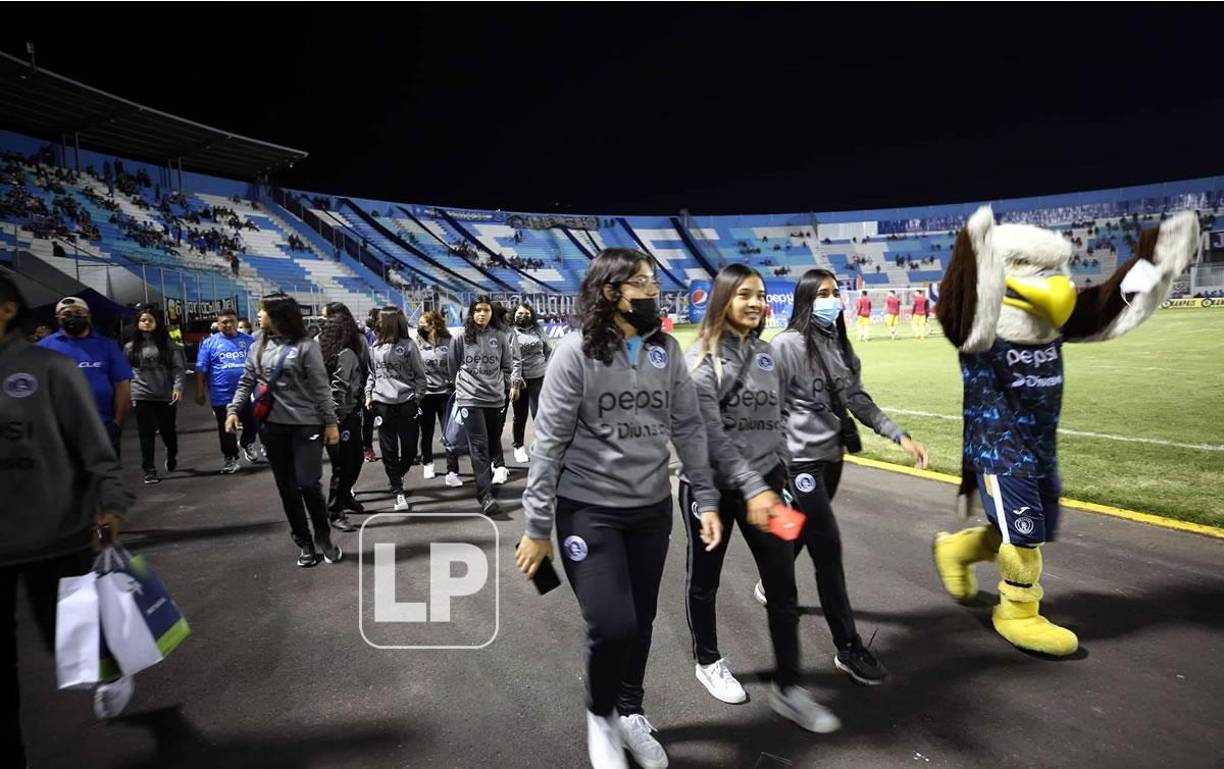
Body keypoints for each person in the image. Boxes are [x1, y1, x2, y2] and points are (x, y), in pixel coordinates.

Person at [516, 249, 724, 769]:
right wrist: (538, 526)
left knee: (643, 618)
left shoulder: (666, 351)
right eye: (644, 285)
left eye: (653, 283)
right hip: (589, 510)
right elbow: (549, 444)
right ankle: (602, 715)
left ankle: (631, 711)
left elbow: (688, 427)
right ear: (611, 292)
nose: (655, 293)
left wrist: (706, 495)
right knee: (613, 625)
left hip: (651, 509)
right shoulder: (573, 354)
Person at [681, 264, 840, 733]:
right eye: (744, 294)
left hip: (766, 489)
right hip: (712, 489)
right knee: (704, 580)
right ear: (723, 299)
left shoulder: (768, 355)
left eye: (761, 295)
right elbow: (712, 439)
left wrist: (781, 478)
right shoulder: (700, 362)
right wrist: (754, 487)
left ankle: (790, 688)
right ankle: (707, 660)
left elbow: (775, 423)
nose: (755, 302)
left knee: (782, 584)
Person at [764, 269, 928, 686]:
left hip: (833, 458)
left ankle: (773, 573)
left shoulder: (840, 345)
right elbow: (768, 409)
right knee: (828, 546)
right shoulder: (784, 346)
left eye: (835, 293)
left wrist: (899, 435)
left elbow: (858, 399)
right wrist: (777, 466)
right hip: (800, 464)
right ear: (804, 300)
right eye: (822, 294)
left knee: (799, 527)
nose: (832, 299)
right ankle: (848, 646)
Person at [0, 275, 133, 765]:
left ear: (9, 309)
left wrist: (112, 502)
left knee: (71, 637)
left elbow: (95, 447)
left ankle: (112, 668)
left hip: (53, 531)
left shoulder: (49, 368)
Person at [227, 293, 342, 568]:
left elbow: (320, 387)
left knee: (308, 484)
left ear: (278, 315)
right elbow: (246, 381)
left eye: (262, 311)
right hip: (272, 428)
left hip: (306, 426)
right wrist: (233, 410)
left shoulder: (306, 346)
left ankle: (323, 537)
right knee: (286, 488)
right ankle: (304, 542)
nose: (258, 316)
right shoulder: (258, 345)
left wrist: (330, 422)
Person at [448, 297, 520, 517]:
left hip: (496, 398)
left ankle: (484, 482)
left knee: (491, 442)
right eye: (478, 310)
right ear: (471, 313)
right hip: (470, 398)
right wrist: (462, 390)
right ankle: (485, 495)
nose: (482, 314)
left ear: (491, 313)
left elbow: (507, 366)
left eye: (486, 310)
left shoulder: (499, 337)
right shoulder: (460, 337)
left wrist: (508, 386)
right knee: (478, 445)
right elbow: (453, 366)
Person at [38, 296, 132, 459]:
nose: (73, 316)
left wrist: (117, 424)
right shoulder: (44, 348)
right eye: (66, 313)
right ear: (58, 318)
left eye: (78, 312)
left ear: (88, 315)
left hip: (102, 427)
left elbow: (122, 385)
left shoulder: (107, 345)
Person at [365, 307, 427, 512]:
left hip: (407, 403)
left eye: (380, 320)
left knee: (409, 448)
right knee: (388, 449)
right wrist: (369, 395)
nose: (376, 323)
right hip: (382, 404)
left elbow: (420, 377)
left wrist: (416, 399)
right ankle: (397, 490)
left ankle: (398, 473)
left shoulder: (408, 346)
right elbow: (372, 375)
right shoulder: (374, 347)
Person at [196, 309, 261, 474]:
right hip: (221, 394)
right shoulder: (209, 343)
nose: (228, 325)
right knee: (226, 428)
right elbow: (201, 369)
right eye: (224, 322)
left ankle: (247, 442)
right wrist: (200, 390)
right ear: (218, 324)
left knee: (252, 423)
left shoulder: (249, 341)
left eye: (231, 321)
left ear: (236, 322)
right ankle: (231, 458)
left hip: (247, 393)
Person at [124, 309, 185, 485]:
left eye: (150, 320)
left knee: (168, 431)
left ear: (157, 322)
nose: (146, 323)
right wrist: (127, 393)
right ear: (137, 324)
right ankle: (149, 469)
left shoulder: (169, 344)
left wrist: (178, 387)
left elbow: (178, 368)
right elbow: (124, 372)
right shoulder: (129, 347)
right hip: (141, 393)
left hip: (165, 393)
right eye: (142, 320)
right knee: (146, 433)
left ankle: (171, 451)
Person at [319, 309, 366, 532]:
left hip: (336, 415)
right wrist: (338, 417)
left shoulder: (323, 349)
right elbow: (338, 388)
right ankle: (335, 510)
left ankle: (344, 497)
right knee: (347, 464)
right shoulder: (346, 353)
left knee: (350, 461)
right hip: (343, 416)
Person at [416, 310, 462, 487]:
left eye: (424, 323)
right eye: (420, 323)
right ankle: (428, 463)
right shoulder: (417, 343)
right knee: (426, 432)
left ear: (434, 323)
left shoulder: (449, 342)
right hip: (426, 395)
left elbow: (457, 364)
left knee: (450, 433)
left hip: (446, 394)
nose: (421, 326)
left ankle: (452, 470)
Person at [510, 302, 551, 465]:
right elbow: (509, 358)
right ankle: (518, 447)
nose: (523, 316)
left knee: (540, 414)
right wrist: (514, 380)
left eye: (526, 313)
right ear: (513, 315)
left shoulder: (538, 329)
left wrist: (550, 369)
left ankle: (542, 446)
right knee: (520, 415)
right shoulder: (509, 331)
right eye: (519, 313)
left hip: (539, 377)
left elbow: (547, 350)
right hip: (520, 380)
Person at [486, 302, 518, 485]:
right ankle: (494, 463)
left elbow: (516, 360)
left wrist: (513, 384)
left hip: (501, 389)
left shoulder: (507, 333)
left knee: (495, 428)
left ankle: (498, 465)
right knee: (486, 431)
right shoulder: (475, 332)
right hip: (479, 390)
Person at [361, 307, 381, 463]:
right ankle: (367, 447)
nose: (369, 319)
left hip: (384, 385)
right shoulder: (365, 337)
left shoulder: (391, 337)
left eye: (372, 317)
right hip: (367, 383)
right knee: (367, 420)